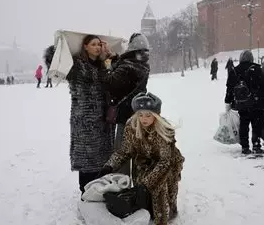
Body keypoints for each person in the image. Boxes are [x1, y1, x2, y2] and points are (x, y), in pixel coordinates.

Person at [98, 92, 184, 224]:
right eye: (140, 114)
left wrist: (146, 184)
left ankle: (163, 216)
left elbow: (165, 162)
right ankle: (146, 211)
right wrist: (109, 166)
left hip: (166, 165)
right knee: (141, 192)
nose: (144, 118)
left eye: (148, 115)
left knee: (158, 189)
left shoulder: (164, 130)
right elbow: (125, 151)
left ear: (156, 115)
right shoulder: (131, 127)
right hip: (143, 163)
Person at [66, 35, 115, 195]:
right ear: (85, 46)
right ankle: (85, 192)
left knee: (102, 157)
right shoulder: (77, 65)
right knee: (86, 157)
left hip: (103, 119)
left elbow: (114, 78)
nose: (97, 47)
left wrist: (109, 55)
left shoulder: (102, 65)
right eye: (93, 44)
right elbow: (57, 65)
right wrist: (57, 48)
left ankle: (99, 191)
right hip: (84, 120)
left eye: (99, 44)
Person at [99, 33, 151, 176]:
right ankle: (133, 179)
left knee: (122, 150)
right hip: (137, 112)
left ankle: (122, 182)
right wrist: (114, 56)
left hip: (125, 114)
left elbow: (110, 82)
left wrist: (105, 64)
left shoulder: (129, 66)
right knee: (134, 149)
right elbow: (124, 66)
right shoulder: (143, 64)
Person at [225, 50, 264, 155]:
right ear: (251, 58)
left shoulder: (235, 70)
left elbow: (229, 88)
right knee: (256, 125)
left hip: (242, 103)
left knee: (244, 124)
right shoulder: (258, 69)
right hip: (257, 103)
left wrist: (228, 102)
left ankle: (245, 147)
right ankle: (256, 145)